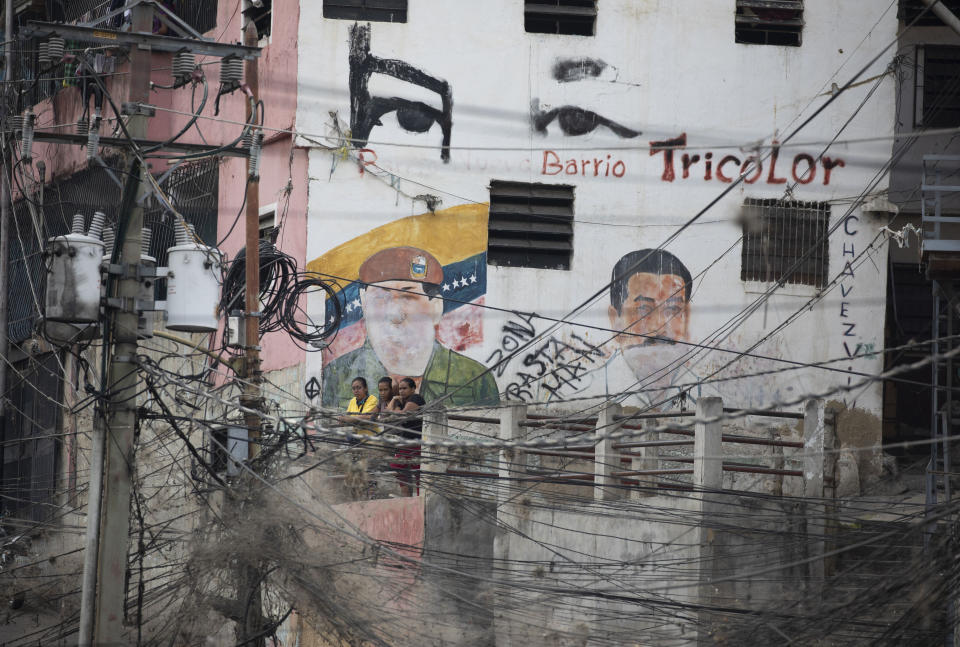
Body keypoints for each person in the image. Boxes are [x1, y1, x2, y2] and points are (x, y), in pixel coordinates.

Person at [322, 246, 499, 408]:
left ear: (436, 306)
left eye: (408, 297)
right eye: (380, 298)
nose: (394, 314)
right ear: (364, 305)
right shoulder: (337, 376)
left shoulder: (474, 379)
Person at [603, 249, 702, 409]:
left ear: (686, 318)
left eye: (673, 309)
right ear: (615, 321)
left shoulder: (703, 394)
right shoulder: (583, 390)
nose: (659, 327)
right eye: (644, 309)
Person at [387, 377, 425, 496]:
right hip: (406, 442)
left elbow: (403, 415)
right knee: (396, 465)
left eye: (405, 388)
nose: (401, 391)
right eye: (400, 389)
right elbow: (387, 412)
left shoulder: (416, 398)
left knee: (418, 473)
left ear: (413, 389)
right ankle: (406, 494)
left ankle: (419, 499)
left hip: (416, 442)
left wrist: (394, 411)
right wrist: (393, 399)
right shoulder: (401, 401)